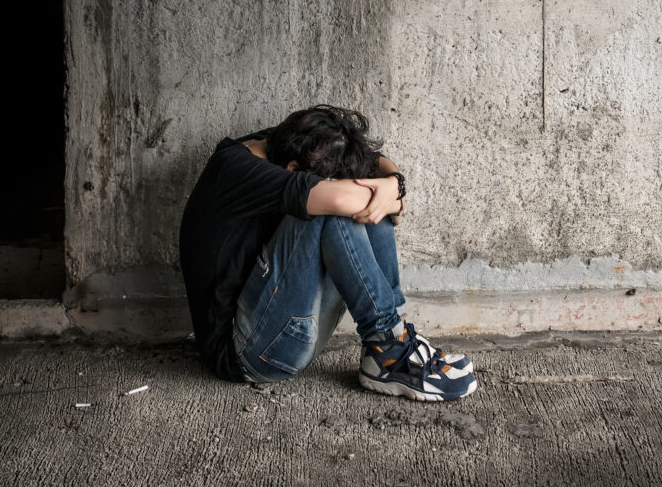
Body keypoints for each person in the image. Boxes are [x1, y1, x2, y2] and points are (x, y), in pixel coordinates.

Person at [178, 104, 477, 401]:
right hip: (246, 353)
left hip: (286, 329)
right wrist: (393, 199)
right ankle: (390, 351)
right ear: (293, 169)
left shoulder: (283, 143)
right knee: (337, 205)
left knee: (366, 193)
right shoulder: (234, 169)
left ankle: (391, 343)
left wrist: (393, 183)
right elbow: (341, 197)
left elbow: (376, 163)